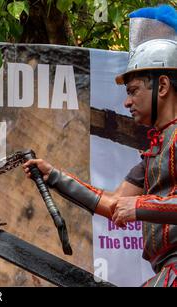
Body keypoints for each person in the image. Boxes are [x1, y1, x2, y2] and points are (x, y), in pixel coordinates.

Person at [23, 5, 177, 287]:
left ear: (163, 86)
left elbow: (132, 205)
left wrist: (140, 206)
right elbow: (115, 203)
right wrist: (54, 176)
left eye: (133, 91)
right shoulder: (155, 151)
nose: (127, 102)